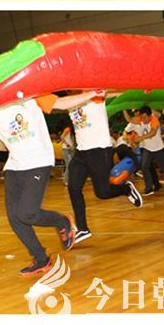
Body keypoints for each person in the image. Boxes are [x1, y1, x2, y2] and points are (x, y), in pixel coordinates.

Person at [0, 93, 96, 276]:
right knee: (15, 218)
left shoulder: (29, 96)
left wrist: (92, 93)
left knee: (27, 213)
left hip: (38, 161)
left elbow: (61, 103)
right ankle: (41, 259)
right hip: (14, 164)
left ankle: (61, 221)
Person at [51, 89, 143, 244]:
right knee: (73, 188)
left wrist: (132, 88)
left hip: (99, 150)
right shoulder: (70, 102)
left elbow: (112, 92)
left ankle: (126, 189)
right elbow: (56, 105)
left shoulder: (94, 95)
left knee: (102, 193)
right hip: (81, 151)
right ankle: (83, 228)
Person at [132, 107, 164, 196]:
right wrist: (123, 109)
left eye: (145, 117)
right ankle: (149, 188)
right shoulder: (141, 120)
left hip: (159, 149)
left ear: (150, 116)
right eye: (142, 117)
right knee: (144, 167)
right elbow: (129, 119)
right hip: (148, 149)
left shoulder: (154, 120)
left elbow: (153, 133)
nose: (143, 119)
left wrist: (140, 138)